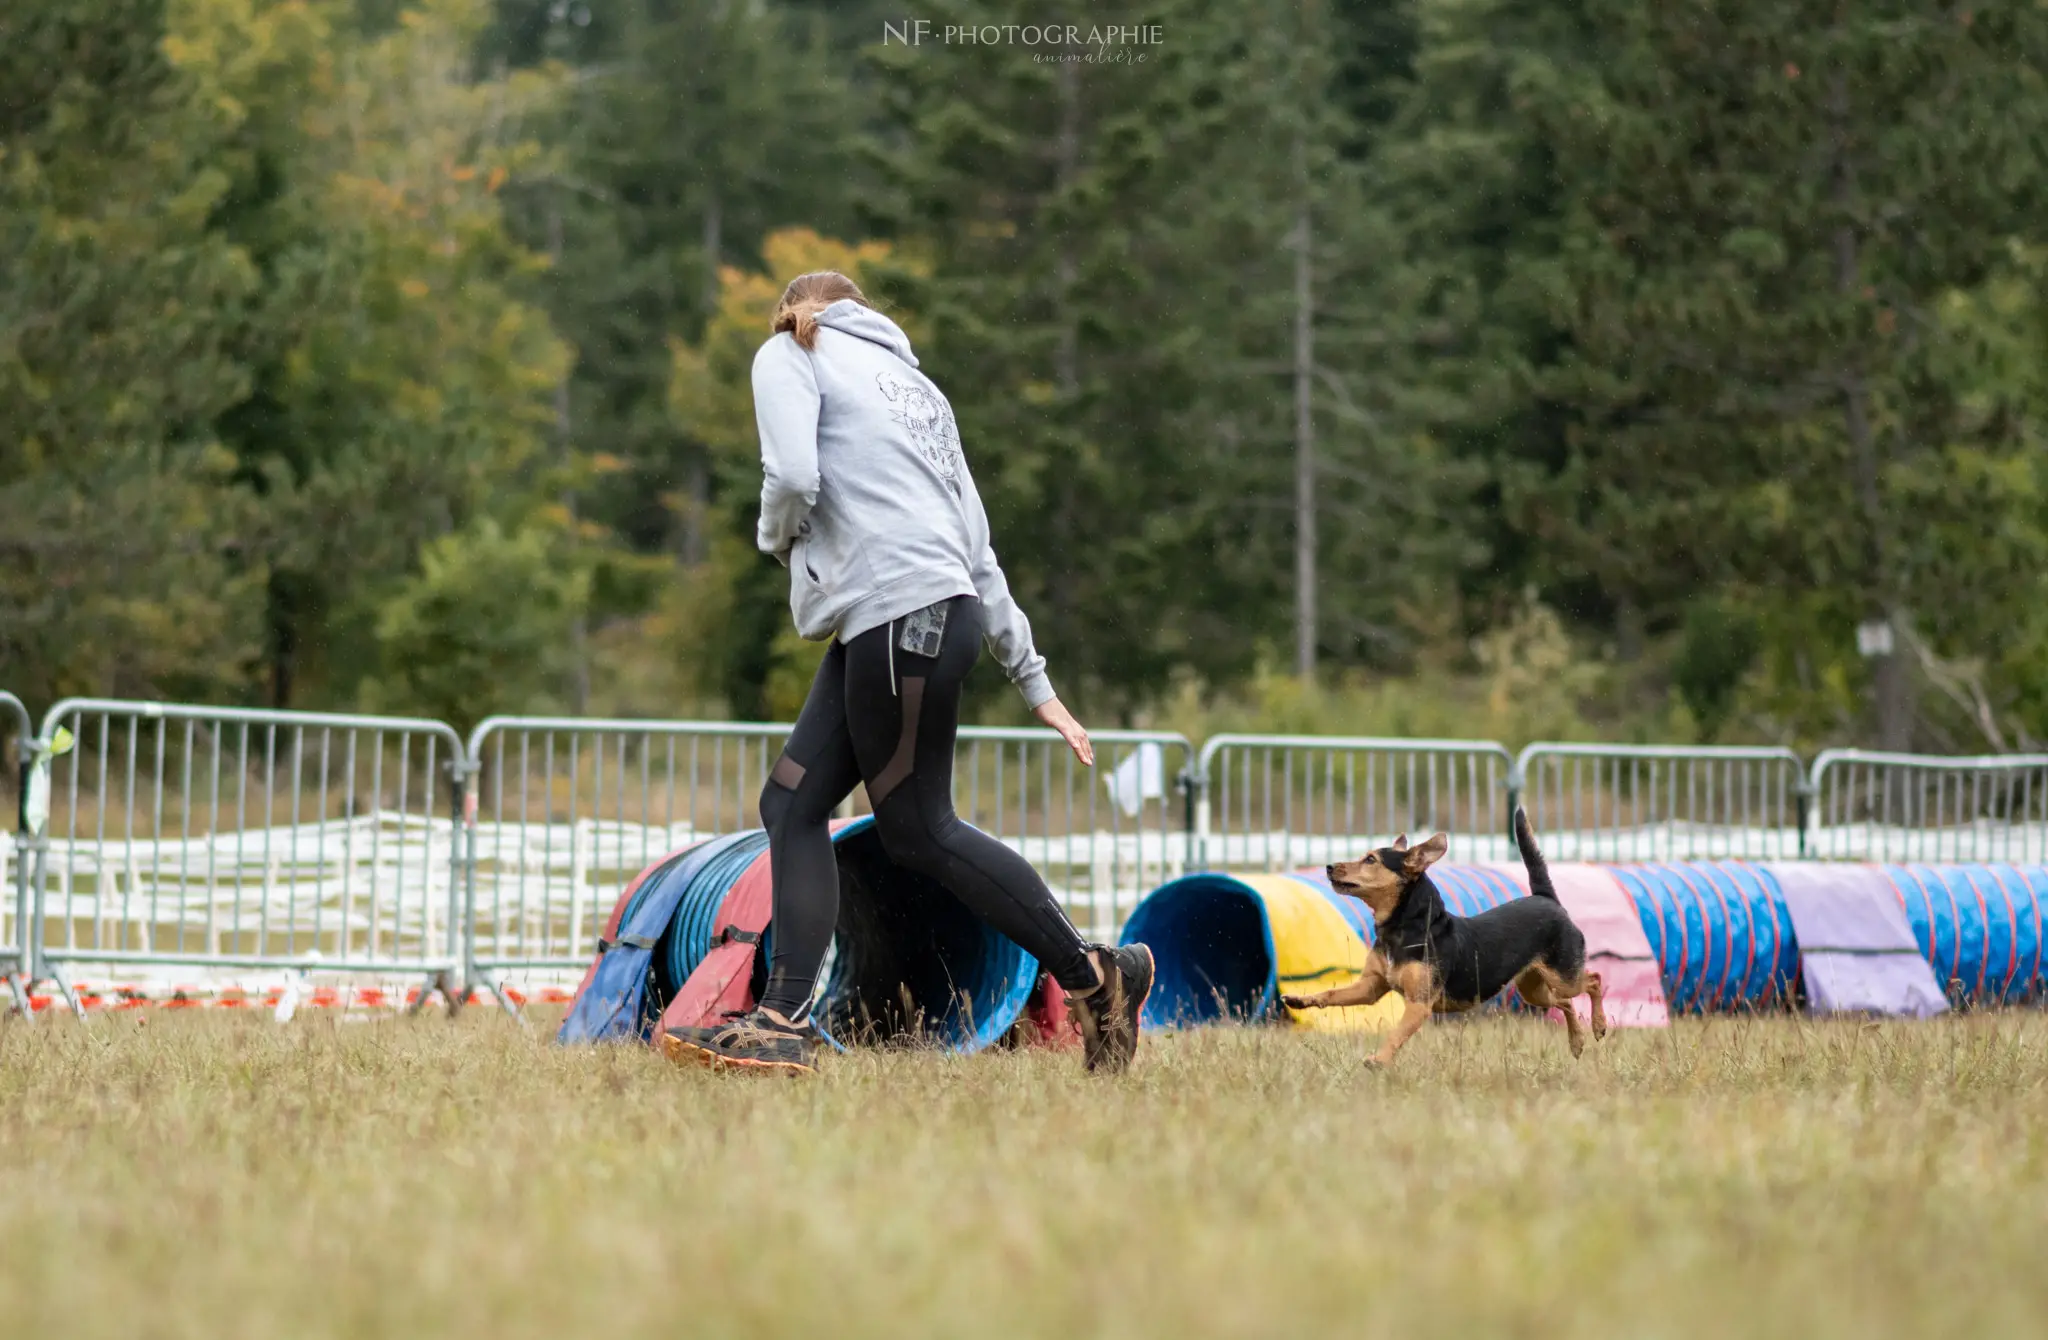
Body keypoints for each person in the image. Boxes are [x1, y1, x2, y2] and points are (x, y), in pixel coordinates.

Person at [662, 271, 1154, 1077]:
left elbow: (789, 478)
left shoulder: (793, 350)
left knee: (920, 828)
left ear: (795, 308)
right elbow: (978, 550)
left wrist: (775, 539)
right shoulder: (919, 391)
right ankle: (783, 1016)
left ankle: (1095, 976)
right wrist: (1036, 682)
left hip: (899, 618)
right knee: (791, 802)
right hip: (918, 615)